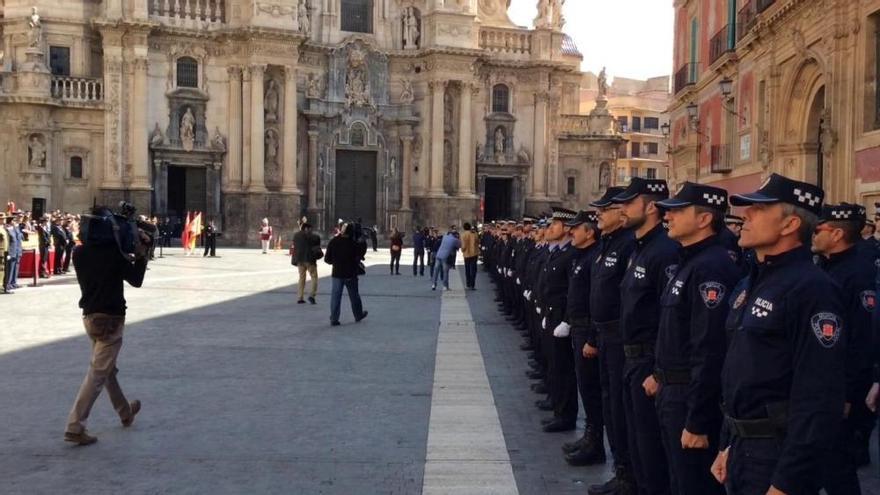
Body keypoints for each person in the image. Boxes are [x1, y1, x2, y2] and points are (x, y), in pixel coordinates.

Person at [711, 173, 845, 494]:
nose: (746, 216)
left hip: (776, 453)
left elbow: (818, 395)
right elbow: (741, 373)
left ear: (789, 225)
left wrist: (788, 480)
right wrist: (727, 443)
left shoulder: (812, 289)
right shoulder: (751, 282)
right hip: (742, 446)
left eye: (758, 209)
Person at [652, 183, 740, 495]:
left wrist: (698, 419)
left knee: (694, 484)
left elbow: (710, 348)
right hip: (671, 390)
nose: (668, 215)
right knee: (677, 479)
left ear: (704, 220)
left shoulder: (711, 267)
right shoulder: (688, 261)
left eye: (678, 210)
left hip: (689, 394)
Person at [611, 177, 677, 495]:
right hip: (631, 357)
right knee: (636, 439)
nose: (621, 209)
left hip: (649, 359)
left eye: (628, 203)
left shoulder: (664, 252)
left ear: (651, 207)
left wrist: (657, 369)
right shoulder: (640, 248)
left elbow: (670, 317)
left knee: (651, 449)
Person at [64, 206, 150, 445]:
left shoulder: (78, 254)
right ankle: (75, 425)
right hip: (111, 319)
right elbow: (137, 280)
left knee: (107, 370)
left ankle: (125, 412)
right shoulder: (114, 254)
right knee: (98, 373)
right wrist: (142, 253)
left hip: (89, 318)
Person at [812, 203, 876, 492]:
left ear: (836, 234)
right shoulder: (826, 266)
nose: (812, 235)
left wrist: (848, 393)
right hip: (823, 383)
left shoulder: (857, 272)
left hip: (842, 388)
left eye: (818, 229)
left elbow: (862, 339)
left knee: (838, 468)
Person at [587, 186, 638, 495]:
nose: (598, 215)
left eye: (604, 210)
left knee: (621, 410)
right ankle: (622, 469)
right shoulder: (610, 244)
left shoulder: (628, 246)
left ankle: (627, 475)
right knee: (610, 403)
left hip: (622, 341)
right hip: (606, 337)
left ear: (621, 213)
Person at [561, 210, 605, 466]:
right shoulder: (581, 257)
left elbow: (595, 302)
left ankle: (595, 442)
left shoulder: (592, 258)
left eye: (576, 228)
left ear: (589, 233)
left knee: (591, 389)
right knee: (586, 389)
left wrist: (591, 337)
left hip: (587, 331)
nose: (571, 232)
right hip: (578, 328)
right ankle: (590, 437)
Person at [536, 207, 579, 433]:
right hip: (551, 314)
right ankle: (558, 408)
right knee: (555, 364)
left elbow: (572, 291)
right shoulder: (557, 253)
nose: (549, 229)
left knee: (563, 369)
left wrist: (566, 320)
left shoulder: (571, 255)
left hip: (561, 318)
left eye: (555, 225)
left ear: (567, 228)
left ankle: (565, 415)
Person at [324, 223, 368, 326]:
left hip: (337, 273)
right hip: (350, 274)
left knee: (335, 296)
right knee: (354, 296)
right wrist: (362, 242)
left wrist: (335, 263)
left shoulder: (333, 241)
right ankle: (358, 315)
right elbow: (360, 255)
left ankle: (334, 318)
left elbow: (327, 259)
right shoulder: (353, 243)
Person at [292, 221, 322, 305]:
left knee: (301, 278)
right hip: (310, 260)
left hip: (299, 260)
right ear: (306, 228)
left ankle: (300, 297)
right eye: (310, 229)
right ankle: (312, 295)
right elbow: (317, 246)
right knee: (314, 277)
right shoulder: (314, 237)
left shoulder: (296, 236)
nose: (312, 230)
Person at [432, 226, 461, 291]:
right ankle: (445, 286)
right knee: (445, 271)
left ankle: (433, 284)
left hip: (438, 255)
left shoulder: (445, 237)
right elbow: (460, 245)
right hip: (445, 257)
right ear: (455, 235)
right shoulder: (454, 240)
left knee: (436, 270)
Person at [461, 222, 480, 289]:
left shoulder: (463, 235)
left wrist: (463, 250)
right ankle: (472, 284)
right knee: (473, 269)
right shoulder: (475, 234)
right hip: (474, 253)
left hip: (466, 254)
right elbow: (478, 242)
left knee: (467, 269)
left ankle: (468, 283)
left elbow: (463, 246)